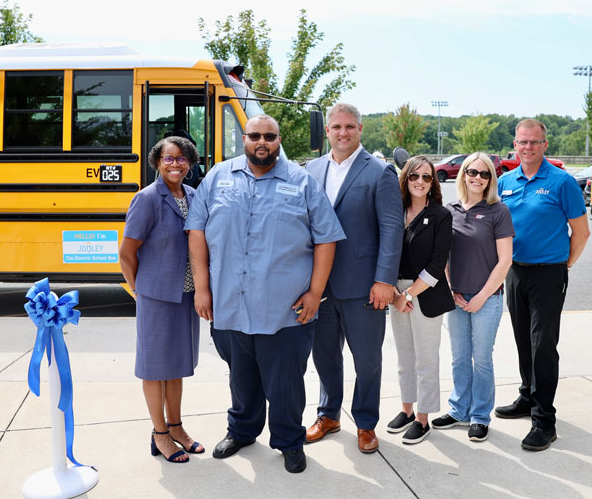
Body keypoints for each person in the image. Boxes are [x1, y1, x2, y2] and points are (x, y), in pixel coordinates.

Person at [185, 114, 344, 474]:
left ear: (278, 139)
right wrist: (203, 289)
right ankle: (241, 431)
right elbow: (196, 231)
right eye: (255, 135)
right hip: (229, 305)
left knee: (285, 382)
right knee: (241, 377)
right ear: (244, 138)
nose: (262, 142)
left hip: (285, 310)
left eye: (269, 136)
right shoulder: (218, 178)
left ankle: (289, 441)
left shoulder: (301, 182)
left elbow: (327, 239)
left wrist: (315, 292)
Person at [304, 102, 403, 453]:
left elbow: (392, 229)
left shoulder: (379, 172)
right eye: (336, 127)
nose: (342, 132)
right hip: (319, 286)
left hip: (364, 286)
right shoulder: (310, 170)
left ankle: (365, 423)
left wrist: (385, 281)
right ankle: (328, 415)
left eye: (349, 126)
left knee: (367, 360)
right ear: (327, 131)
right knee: (325, 356)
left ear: (360, 129)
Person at [494, 118, 590, 451]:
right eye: (523, 142)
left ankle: (544, 421)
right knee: (523, 339)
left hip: (549, 273)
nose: (528, 147)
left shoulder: (562, 182)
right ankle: (527, 396)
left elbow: (581, 233)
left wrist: (564, 265)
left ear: (545, 145)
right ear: (515, 145)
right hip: (515, 271)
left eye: (535, 142)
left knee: (543, 345)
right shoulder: (505, 181)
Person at [119, 136, 202, 464]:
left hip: (185, 296)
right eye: (169, 158)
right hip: (156, 296)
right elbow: (127, 253)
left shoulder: (194, 196)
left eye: (182, 159)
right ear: (157, 162)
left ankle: (177, 427)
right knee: (155, 369)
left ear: (190, 164)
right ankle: (160, 434)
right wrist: (138, 289)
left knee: (177, 366)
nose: (175, 164)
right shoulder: (147, 198)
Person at [430, 152, 514, 443]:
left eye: (484, 173)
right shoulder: (449, 209)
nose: (477, 178)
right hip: (455, 297)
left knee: (482, 359)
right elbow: (441, 255)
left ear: (491, 179)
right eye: (472, 172)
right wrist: (450, 288)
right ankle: (458, 410)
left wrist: (481, 297)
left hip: (486, 299)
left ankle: (480, 416)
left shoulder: (497, 211)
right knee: (459, 358)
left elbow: (505, 261)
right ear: (463, 174)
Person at [386, 156, 454, 445]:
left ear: (433, 183)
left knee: (426, 360)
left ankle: (423, 419)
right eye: (415, 176)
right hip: (395, 293)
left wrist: (408, 295)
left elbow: (437, 265)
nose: (420, 182)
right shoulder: (394, 211)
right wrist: (393, 295)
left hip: (424, 293)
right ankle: (406, 409)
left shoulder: (441, 215)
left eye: (427, 177)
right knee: (404, 358)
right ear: (406, 178)